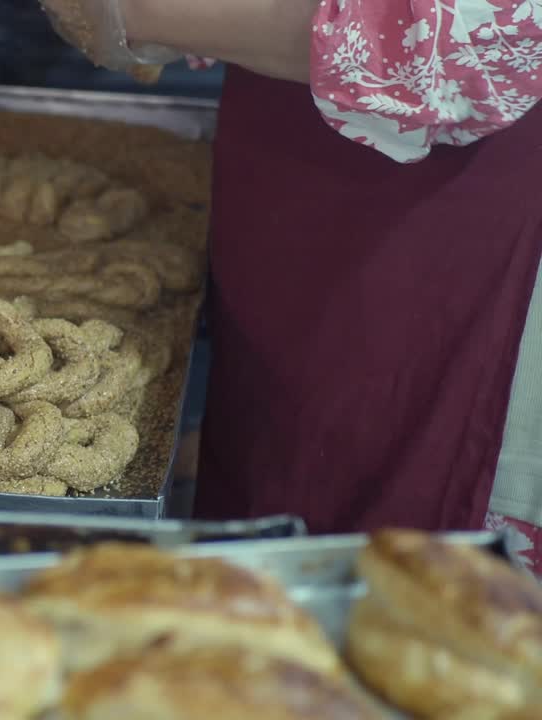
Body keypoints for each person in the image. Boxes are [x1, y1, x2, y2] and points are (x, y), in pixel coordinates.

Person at [41, 0, 542, 571]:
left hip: (455, 240)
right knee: (273, 490)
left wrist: (127, 11)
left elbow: (461, 39)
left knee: (391, 595)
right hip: (296, 202)